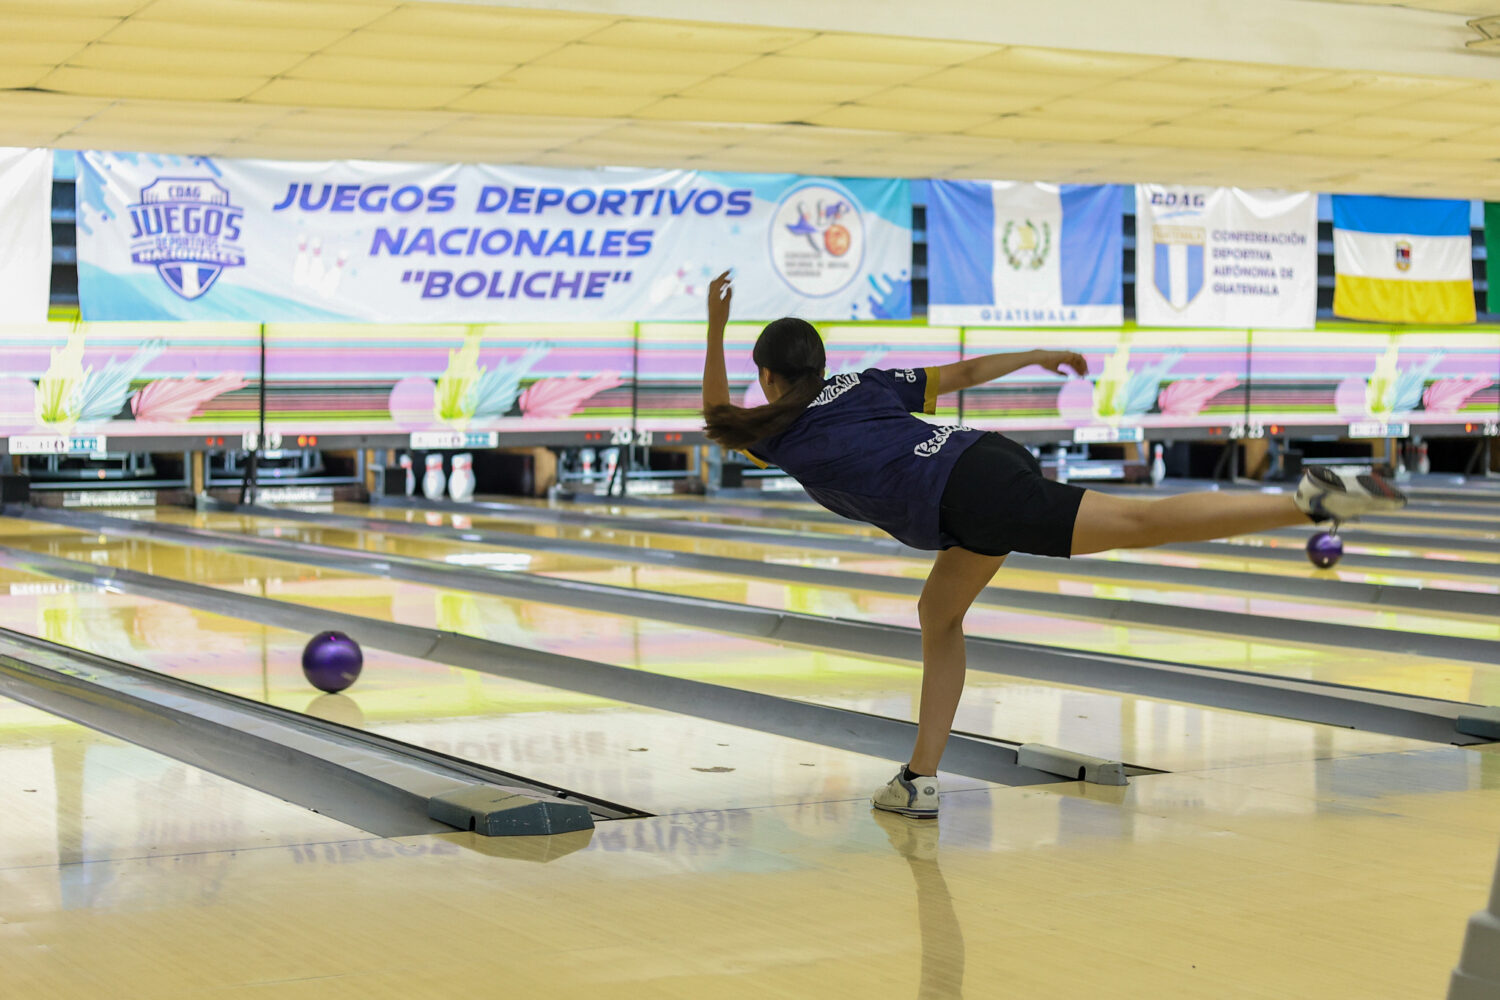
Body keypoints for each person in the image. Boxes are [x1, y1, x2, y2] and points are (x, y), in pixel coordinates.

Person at [699, 271, 1407, 818]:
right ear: (821, 364)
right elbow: (965, 374)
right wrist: (1038, 354)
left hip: (969, 495)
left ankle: (1303, 501)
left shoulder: (774, 434)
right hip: (976, 466)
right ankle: (918, 779)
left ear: (768, 377)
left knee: (1140, 524)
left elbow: (714, 412)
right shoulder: (861, 384)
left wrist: (715, 326)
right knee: (938, 615)